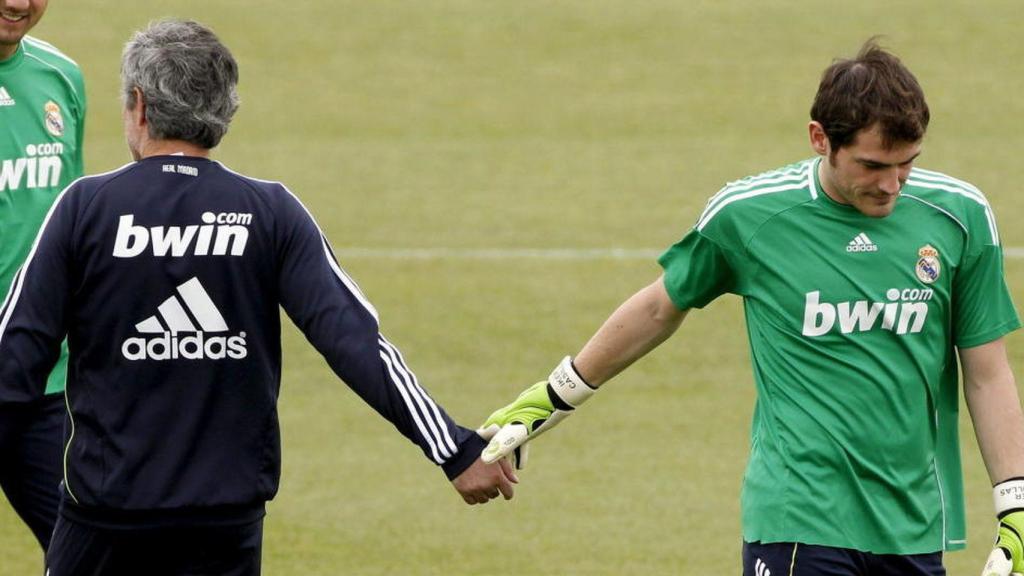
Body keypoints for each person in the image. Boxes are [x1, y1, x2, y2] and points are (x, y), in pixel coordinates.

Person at [480, 39, 1024, 576]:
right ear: (820, 139)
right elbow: (659, 308)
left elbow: (987, 373)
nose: (891, 186)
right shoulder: (750, 215)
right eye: (872, 165)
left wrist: (1016, 509)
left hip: (911, 526)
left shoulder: (959, 217)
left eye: (907, 164)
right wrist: (551, 397)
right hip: (796, 519)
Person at [0, 19, 516, 576]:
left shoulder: (86, 208)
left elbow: (16, 354)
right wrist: (453, 449)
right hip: (225, 526)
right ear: (224, 111)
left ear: (140, 106)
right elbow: (356, 342)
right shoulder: (270, 212)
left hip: (103, 524)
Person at [0, 0, 85, 552]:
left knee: (88, 554)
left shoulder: (62, 76)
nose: (18, 3)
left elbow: (71, 225)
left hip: (45, 387)